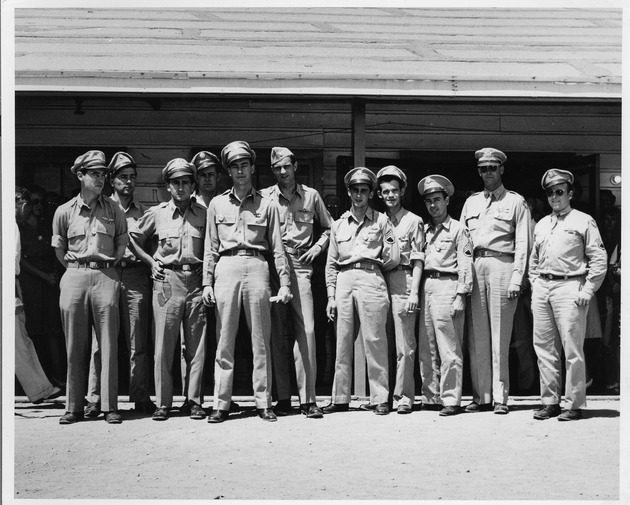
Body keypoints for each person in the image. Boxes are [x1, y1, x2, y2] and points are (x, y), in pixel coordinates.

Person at [202, 141, 292, 423]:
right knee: (224, 339)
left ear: (252, 168)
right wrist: (207, 282)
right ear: (228, 171)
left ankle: (263, 401)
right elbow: (210, 246)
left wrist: (285, 283)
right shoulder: (217, 203)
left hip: (257, 266)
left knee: (260, 340)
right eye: (234, 166)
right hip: (226, 266)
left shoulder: (268, 204)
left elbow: (278, 247)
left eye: (244, 165)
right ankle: (221, 403)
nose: (240, 171)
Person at [52, 150, 128, 424]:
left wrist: (110, 266)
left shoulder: (114, 209)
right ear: (81, 175)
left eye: (103, 174)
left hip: (106, 276)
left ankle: (109, 406)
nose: (100, 179)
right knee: (75, 345)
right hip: (75, 276)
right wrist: (76, 270)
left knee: (108, 343)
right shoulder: (64, 211)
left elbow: (121, 241)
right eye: (94, 173)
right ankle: (73, 406)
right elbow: (60, 248)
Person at [129, 158, 208, 421]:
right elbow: (133, 238)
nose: (181, 187)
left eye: (186, 182)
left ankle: (194, 400)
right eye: (176, 183)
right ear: (168, 186)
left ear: (193, 185)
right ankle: (163, 402)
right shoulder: (158, 213)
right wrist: (152, 262)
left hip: (196, 282)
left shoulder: (204, 214)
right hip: (167, 281)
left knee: (195, 345)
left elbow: (213, 245)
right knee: (164, 344)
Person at [530, 169, 607, 421]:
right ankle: (550, 401)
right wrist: (535, 284)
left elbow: (598, 259)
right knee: (544, 348)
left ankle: (574, 403)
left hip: (570, 287)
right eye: (550, 193)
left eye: (559, 192)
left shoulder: (583, 221)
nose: (555, 197)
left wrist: (588, 289)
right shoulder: (542, 224)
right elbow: (533, 260)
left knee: (572, 349)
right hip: (543, 287)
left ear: (570, 193)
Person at [261, 147, 333, 418]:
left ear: (295, 166)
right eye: (278, 168)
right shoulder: (265, 198)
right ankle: (282, 397)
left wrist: (318, 247)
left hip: (301, 266)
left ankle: (309, 399)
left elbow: (330, 228)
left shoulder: (311, 196)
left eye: (286, 167)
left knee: (308, 331)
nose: (283, 172)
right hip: (272, 267)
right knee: (276, 334)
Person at [323, 167, 400, 415]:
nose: (359, 195)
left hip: (371, 277)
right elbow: (332, 262)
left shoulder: (381, 220)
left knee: (375, 340)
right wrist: (331, 296)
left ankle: (380, 398)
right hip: (344, 279)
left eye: (364, 191)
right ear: (349, 192)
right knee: (342, 340)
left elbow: (391, 257)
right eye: (355, 190)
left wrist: (372, 270)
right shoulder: (338, 225)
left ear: (370, 193)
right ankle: (340, 397)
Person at [460, 148, 531, 414]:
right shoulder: (472, 202)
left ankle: (501, 397)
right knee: (477, 336)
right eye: (483, 169)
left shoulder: (516, 202)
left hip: (504, 264)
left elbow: (524, 241)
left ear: (501, 169)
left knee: (501, 335)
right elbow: (464, 243)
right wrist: (465, 275)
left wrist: (517, 278)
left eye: (492, 167)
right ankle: (482, 396)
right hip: (476, 265)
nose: (487, 173)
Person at [86, 152, 156, 417]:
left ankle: (140, 396)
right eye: (122, 177)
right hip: (107, 274)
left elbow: (152, 247)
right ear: (112, 180)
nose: (128, 182)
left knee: (137, 341)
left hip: (136, 277)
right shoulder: (99, 208)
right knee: (100, 341)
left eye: (132, 177)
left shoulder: (145, 213)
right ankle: (96, 399)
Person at [417, 175, 474, 416]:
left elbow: (465, 262)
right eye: (429, 201)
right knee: (426, 346)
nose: (433, 205)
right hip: (427, 286)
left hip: (448, 287)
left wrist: (462, 294)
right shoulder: (424, 230)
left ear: (447, 200)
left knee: (449, 348)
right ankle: (431, 396)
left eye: (437, 199)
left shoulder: (459, 229)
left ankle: (451, 399)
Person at [374, 165, 424, 414]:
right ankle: (382, 398)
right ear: (380, 195)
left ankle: (404, 397)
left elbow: (417, 260)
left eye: (394, 191)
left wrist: (414, 292)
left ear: (402, 191)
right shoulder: (377, 220)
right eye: (385, 192)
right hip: (379, 283)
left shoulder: (414, 221)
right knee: (381, 343)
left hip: (403, 282)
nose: (390, 196)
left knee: (405, 345)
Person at [15, 187, 62, 404]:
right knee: (26, 336)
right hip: (25, 281)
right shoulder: (16, 228)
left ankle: (48, 382)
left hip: (45, 282)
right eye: (32, 202)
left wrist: (51, 275)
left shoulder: (45, 225)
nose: (37, 206)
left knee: (44, 331)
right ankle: (36, 386)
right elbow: (18, 261)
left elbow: (55, 251)